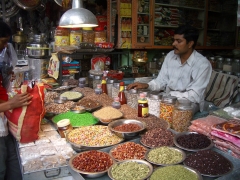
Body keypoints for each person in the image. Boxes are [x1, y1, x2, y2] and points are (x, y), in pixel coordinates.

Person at [127, 25, 212, 113]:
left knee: (171, 114)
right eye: (174, 40)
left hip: (189, 104)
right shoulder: (171, 56)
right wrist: (147, 85)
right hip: (167, 99)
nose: (173, 44)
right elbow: (161, 80)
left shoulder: (202, 64)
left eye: (179, 41)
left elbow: (194, 96)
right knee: (143, 105)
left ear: (190, 44)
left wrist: (169, 95)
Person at [0, 21, 32, 180]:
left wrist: (6, 79)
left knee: (14, 171)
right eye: (3, 42)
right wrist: (10, 104)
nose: (5, 47)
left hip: (4, 128)